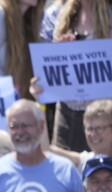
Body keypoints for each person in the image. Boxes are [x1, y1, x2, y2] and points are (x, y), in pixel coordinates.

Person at [38, 0, 111, 152]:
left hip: (104, 114)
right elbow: (44, 64)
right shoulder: (55, 14)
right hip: (67, 111)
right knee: (63, 166)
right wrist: (57, 49)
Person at [48, 99, 112, 173]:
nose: (93, 134)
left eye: (99, 128)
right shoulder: (84, 161)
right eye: (89, 129)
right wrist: (41, 104)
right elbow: (46, 150)